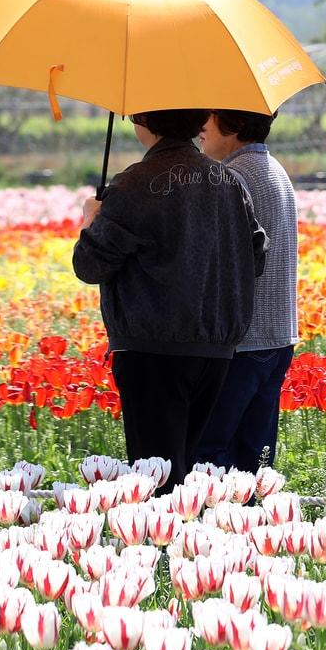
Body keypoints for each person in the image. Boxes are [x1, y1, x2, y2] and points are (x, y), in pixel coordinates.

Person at [73, 109, 267, 493]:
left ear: (144, 121)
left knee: (156, 478)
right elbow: (256, 256)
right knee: (186, 472)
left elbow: (90, 265)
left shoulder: (135, 184)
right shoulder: (228, 182)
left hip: (151, 348)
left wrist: (91, 221)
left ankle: (165, 534)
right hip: (215, 349)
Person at [194, 109, 298, 475]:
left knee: (209, 452)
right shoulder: (274, 170)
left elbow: (217, 258)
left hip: (242, 340)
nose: (200, 127)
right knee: (254, 457)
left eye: (208, 117)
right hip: (277, 334)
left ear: (235, 124)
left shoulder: (233, 177)